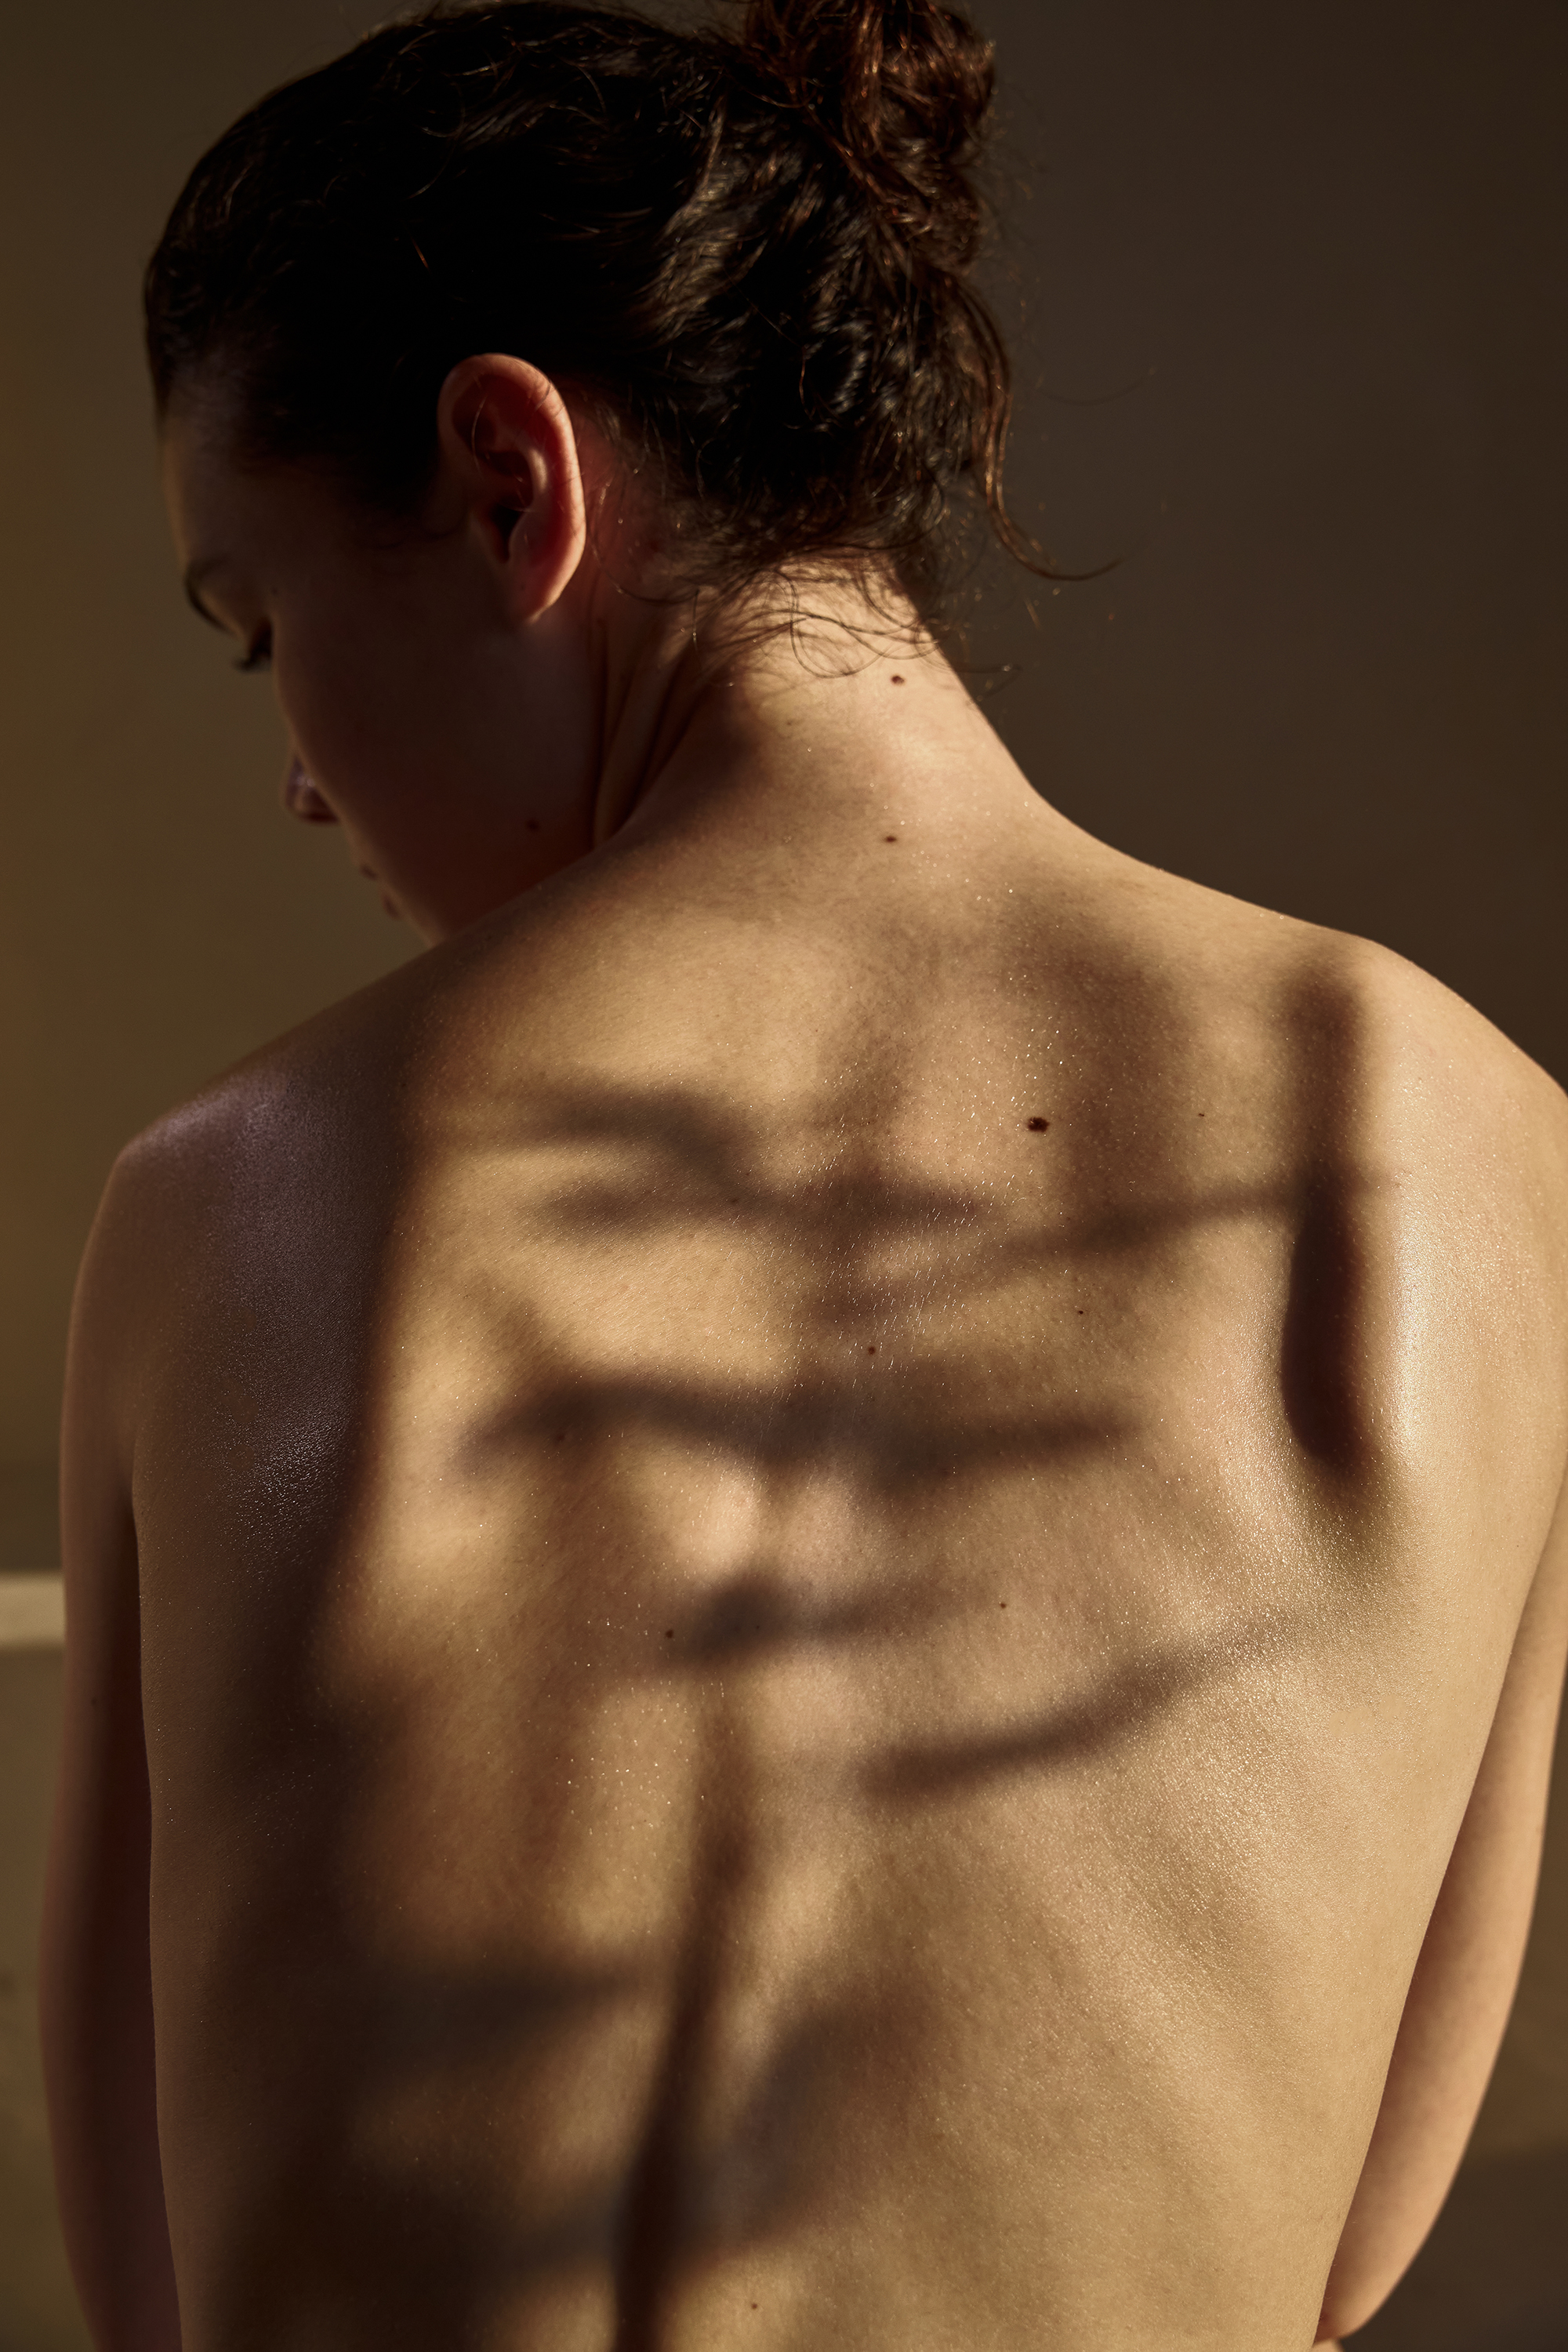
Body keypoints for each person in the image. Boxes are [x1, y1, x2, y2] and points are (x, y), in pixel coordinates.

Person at [38, 0, 1568, 2344]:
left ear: (513, 482)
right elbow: (1338, 2239)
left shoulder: (221, 1205)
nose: (302, 780)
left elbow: (150, 2271)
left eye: (262, 631)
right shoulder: (1478, 1164)